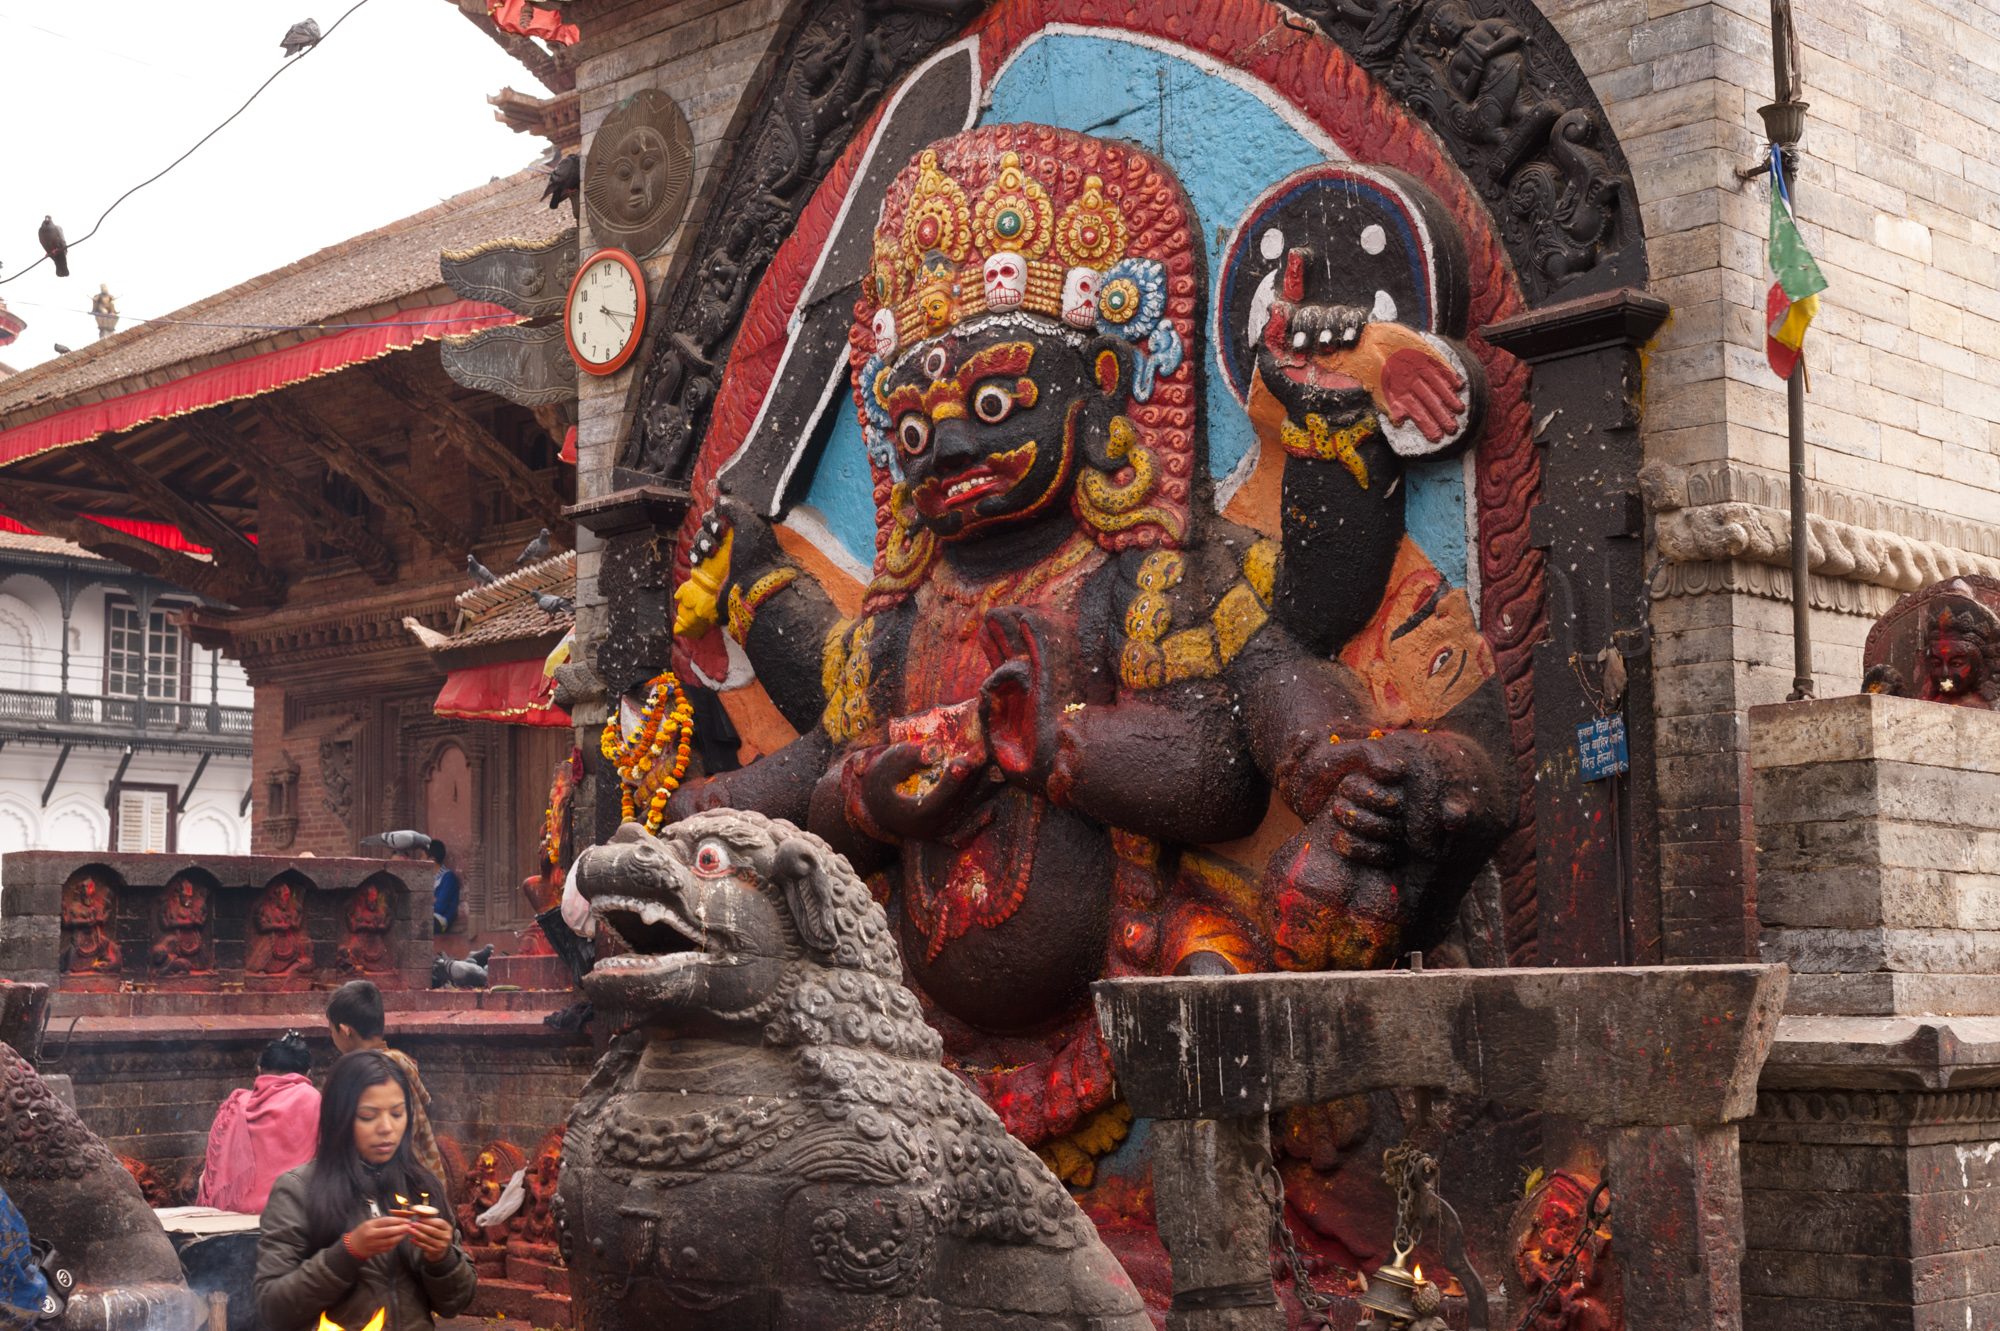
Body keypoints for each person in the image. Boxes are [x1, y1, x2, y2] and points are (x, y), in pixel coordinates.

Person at [254, 1052, 474, 1331]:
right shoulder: (298, 1190)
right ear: (340, 1118)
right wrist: (347, 1253)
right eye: (368, 1116)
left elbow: (455, 1304)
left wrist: (443, 1259)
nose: (386, 1128)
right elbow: (273, 1308)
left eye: (397, 1113)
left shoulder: (421, 1186)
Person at [325, 982, 446, 1202]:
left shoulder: (363, 1073)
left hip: (397, 1183)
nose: (386, 1127)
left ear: (344, 1030)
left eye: (396, 1114)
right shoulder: (402, 1061)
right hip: (421, 1177)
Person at [195, 1032, 320, 1214]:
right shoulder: (311, 1098)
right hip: (290, 1212)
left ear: (260, 1070)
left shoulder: (236, 1104)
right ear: (308, 1074)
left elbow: (213, 1173)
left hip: (232, 1212)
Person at [427, 842, 461, 934]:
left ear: (431, 860)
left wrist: (426, 902)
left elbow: (440, 907)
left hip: (441, 920)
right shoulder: (427, 878)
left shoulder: (448, 877)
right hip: (429, 916)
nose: (419, 860)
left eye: (422, 857)